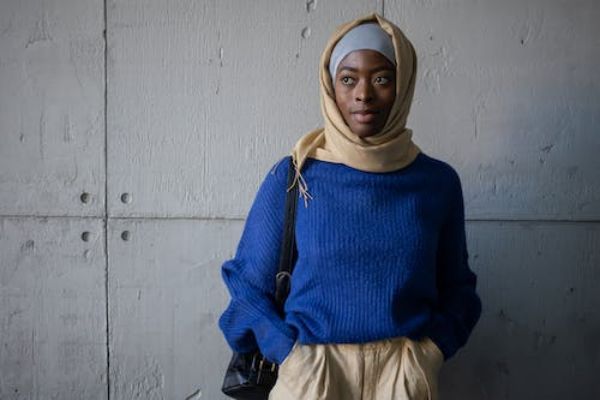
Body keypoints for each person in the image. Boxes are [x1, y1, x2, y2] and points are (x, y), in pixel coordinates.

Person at [218, 12, 482, 400]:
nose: (363, 94)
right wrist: (289, 355)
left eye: (381, 79)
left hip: (402, 376)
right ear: (330, 86)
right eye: (348, 79)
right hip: (312, 375)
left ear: (403, 85)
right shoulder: (294, 176)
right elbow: (246, 288)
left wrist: (429, 354)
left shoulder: (437, 183)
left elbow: (458, 289)